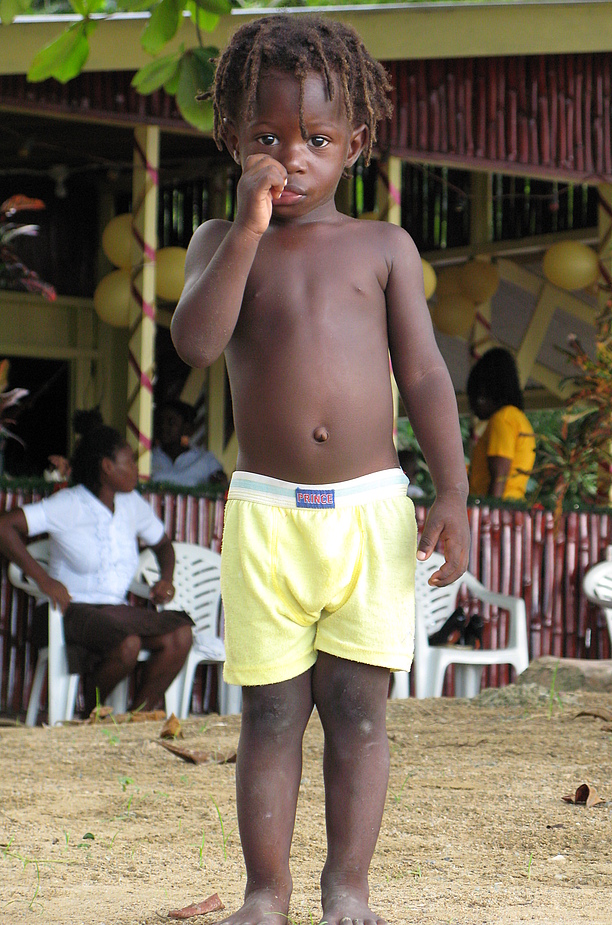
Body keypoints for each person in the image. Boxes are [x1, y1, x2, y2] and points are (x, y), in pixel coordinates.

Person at [170, 14, 470, 925]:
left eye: (315, 141)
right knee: (268, 713)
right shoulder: (222, 240)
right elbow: (196, 342)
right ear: (232, 139)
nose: (291, 159)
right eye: (267, 138)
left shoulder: (384, 248)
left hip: (371, 514)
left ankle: (349, 888)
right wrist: (248, 228)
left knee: (359, 710)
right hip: (265, 516)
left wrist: (452, 491)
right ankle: (266, 893)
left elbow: (422, 374)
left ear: (357, 144)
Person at [0, 410, 193, 716]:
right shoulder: (69, 503)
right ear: (106, 467)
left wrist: (166, 578)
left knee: (181, 635)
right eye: (129, 461)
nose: (136, 469)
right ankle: (91, 711)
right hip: (69, 611)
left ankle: (137, 716)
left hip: (114, 612)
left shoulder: (132, 504)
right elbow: (4, 526)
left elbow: (163, 545)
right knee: (126, 644)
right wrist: (45, 580)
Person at [466, 347, 536, 500]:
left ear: (483, 391)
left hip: (499, 514)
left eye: (474, 397)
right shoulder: (516, 417)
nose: (473, 407)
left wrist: (491, 518)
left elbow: (499, 477)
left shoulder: (503, 419)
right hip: (511, 510)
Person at [151, 399, 226, 487]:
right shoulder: (149, 458)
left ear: (187, 429)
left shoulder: (206, 460)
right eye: (160, 422)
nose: (163, 426)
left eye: (171, 422)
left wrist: (218, 480)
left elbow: (221, 483)